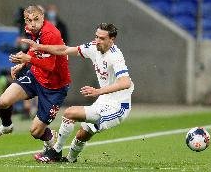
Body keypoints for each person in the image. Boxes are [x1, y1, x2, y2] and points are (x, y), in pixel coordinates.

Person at [16, 23, 134, 163]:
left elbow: (125, 83)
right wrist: (40, 47)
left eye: (102, 38)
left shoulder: (116, 56)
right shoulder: (93, 47)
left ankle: (55, 152)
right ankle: (70, 160)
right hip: (103, 100)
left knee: (75, 117)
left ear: (112, 40)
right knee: (81, 131)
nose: (98, 41)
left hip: (118, 106)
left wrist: (98, 91)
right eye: (96, 37)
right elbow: (64, 50)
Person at [0, 5, 71, 154]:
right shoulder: (30, 29)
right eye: (29, 20)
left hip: (54, 86)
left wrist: (28, 59)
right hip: (36, 76)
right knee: (3, 102)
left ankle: (49, 137)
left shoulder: (51, 34)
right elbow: (34, 47)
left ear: (43, 18)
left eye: (36, 19)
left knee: (35, 132)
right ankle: (6, 127)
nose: (32, 23)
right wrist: (23, 64)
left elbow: (50, 66)